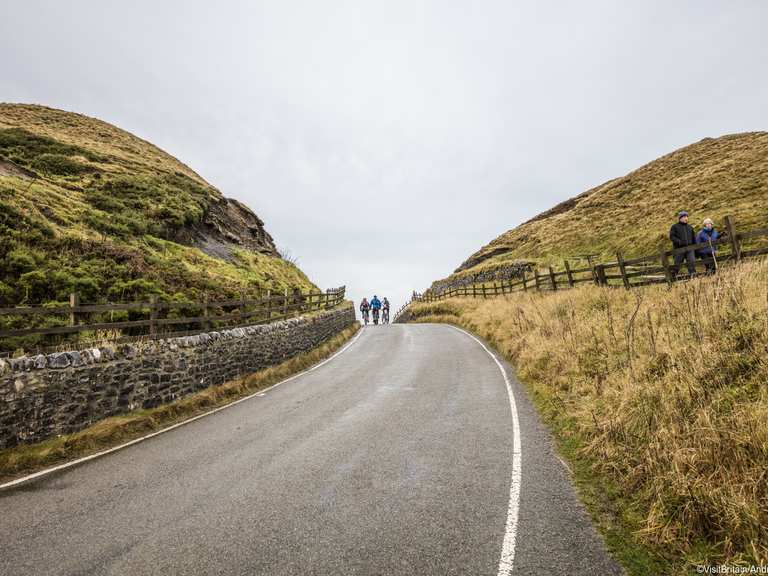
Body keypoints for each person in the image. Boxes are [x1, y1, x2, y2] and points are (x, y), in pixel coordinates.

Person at [669, 210, 697, 277]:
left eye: (687, 216)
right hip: (679, 249)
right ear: (680, 218)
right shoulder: (674, 227)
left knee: (691, 262)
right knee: (677, 264)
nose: (686, 218)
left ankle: (693, 277)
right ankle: (672, 278)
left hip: (689, 248)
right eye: (684, 217)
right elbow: (672, 237)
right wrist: (679, 242)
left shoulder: (690, 227)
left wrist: (695, 248)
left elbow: (693, 238)